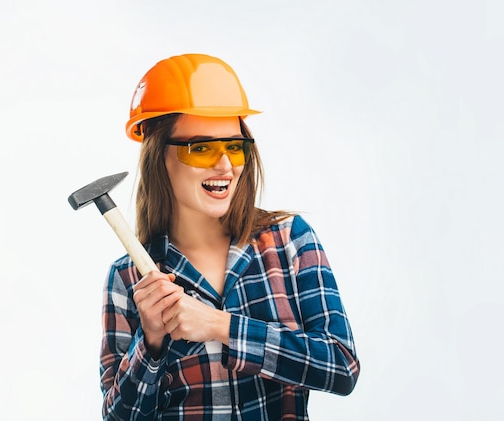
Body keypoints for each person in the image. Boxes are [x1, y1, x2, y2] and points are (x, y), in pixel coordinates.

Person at [99, 53, 360, 420]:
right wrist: (152, 342)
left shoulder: (289, 242)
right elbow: (117, 416)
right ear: (159, 157)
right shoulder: (129, 279)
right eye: (202, 148)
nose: (225, 166)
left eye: (234, 146)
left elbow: (341, 367)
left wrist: (221, 326)